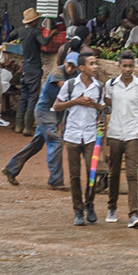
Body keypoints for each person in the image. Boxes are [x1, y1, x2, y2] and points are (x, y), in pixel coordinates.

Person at [4, 47, 74, 189]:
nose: (70, 68)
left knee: (36, 144)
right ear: (65, 62)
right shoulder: (58, 73)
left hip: (54, 114)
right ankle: (56, 180)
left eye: (74, 66)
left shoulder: (75, 75)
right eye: (69, 64)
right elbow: (65, 88)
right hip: (44, 113)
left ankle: (11, 168)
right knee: (56, 142)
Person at [55, 53, 106, 226]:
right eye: (91, 64)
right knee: (74, 175)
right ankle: (78, 210)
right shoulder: (70, 86)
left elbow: (103, 109)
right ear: (82, 68)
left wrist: (93, 104)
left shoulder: (98, 87)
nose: (95, 67)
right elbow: (57, 106)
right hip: (72, 135)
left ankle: (89, 203)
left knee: (92, 172)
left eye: (95, 63)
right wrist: (76, 101)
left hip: (91, 135)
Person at [101, 52, 138, 228]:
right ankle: (111, 208)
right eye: (125, 66)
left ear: (134, 67)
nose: (128, 69)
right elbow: (107, 106)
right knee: (113, 172)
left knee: (131, 173)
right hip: (114, 133)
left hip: (132, 133)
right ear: (119, 66)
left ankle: (133, 213)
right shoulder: (111, 84)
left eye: (131, 66)